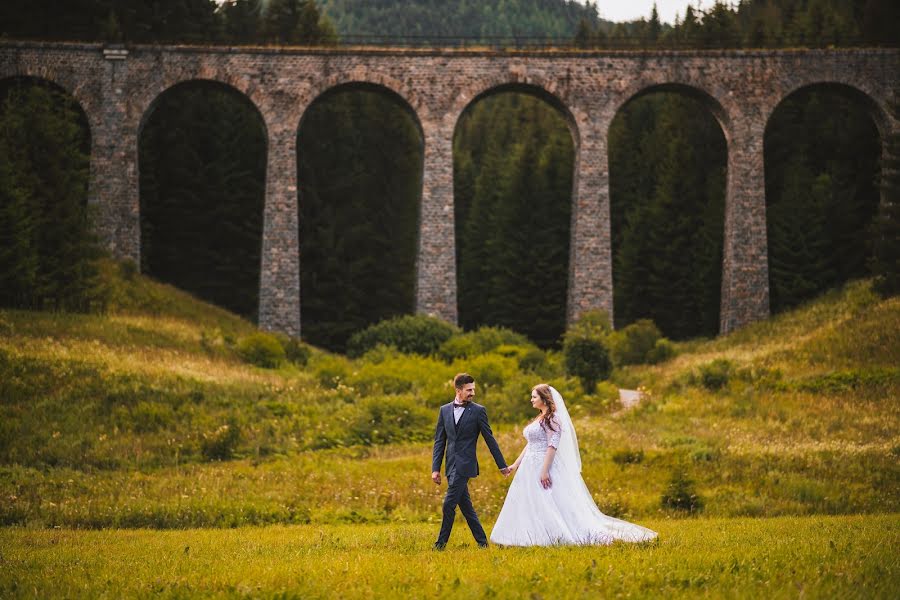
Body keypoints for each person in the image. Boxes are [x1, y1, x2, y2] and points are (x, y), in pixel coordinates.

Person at [490, 383, 658, 546]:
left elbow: (552, 446)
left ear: (544, 398)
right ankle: (525, 535)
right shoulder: (540, 417)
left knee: (550, 502)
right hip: (529, 467)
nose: (531, 400)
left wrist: (545, 471)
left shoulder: (553, 418)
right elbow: (531, 444)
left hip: (544, 465)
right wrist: (514, 465)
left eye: (534, 397)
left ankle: (556, 535)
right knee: (529, 502)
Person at [431, 373, 510, 550]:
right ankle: (483, 543)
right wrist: (435, 468)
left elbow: (490, 439)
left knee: (448, 504)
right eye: (469, 390)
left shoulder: (478, 411)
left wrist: (502, 465)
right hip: (450, 465)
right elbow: (439, 441)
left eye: (473, 389)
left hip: (465, 466)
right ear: (458, 390)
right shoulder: (444, 410)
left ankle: (440, 545)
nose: (472, 393)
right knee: (466, 507)